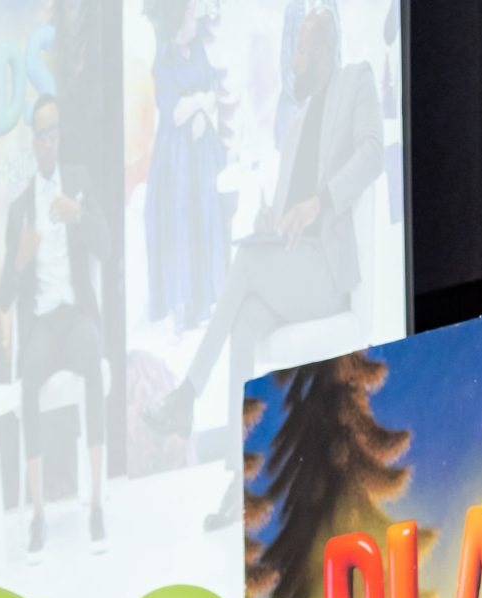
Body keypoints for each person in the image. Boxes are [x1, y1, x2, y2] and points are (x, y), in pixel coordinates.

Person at [143, 2, 383, 530]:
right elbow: (284, 210)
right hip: (293, 264)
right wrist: (271, 218)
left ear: (323, 47)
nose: (295, 56)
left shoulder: (355, 82)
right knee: (246, 320)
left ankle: (187, 395)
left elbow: (372, 154)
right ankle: (243, 479)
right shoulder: (294, 126)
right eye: (295, 46)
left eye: (302, 46)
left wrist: (321, 201)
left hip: (326, 270)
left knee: (246, 268)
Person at [0, 94, 108, 558]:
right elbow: (3, 296)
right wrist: (20, 260)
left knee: (93, 356)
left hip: (75, 315)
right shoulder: (20, 209)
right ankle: (38, 516)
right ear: (33, 142)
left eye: (54, 131)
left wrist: (80, 216)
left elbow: (107, 247)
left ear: (60, 134)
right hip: (42, 325)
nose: (49, 141)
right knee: (28, 380)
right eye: (41, 134)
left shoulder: (78, 182)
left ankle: (97, 504)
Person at [143, 0, 231, 331]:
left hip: (201, 150)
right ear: (178, 19)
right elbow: (173, 112)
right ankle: (178, 309)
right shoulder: (164, 59)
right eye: (190, 13)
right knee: (179, 220)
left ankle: (204, 303)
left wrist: (200, 111)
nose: (195, 17)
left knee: (204, 216)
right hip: (176, 158)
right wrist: (197, 105)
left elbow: (212, 92)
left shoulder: (199, 49)